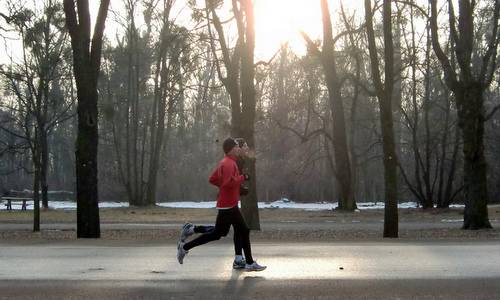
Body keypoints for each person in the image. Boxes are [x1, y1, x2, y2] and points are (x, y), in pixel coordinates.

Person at [176, 137, 266, 272]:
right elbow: (227, 183)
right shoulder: (229, 163)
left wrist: (232, 188)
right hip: (229, 205)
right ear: (231, 150)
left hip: (227, 204)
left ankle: (186, 245)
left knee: (218, 233)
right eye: (236, 146)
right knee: (243, 230)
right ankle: (249, 262)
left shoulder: (227, 162)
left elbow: (214, 179)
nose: (238, 148)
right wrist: (243, 178)